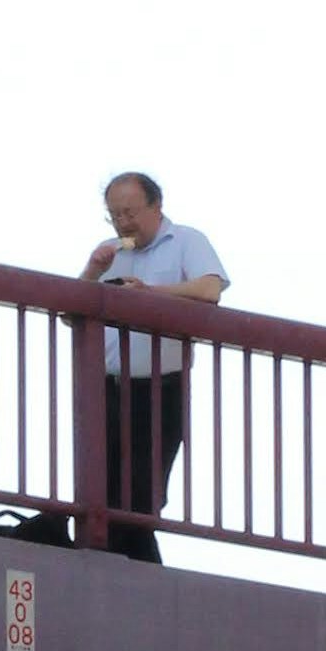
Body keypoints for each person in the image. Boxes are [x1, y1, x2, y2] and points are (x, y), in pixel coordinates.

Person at [78, 170, 228, 561]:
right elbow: (71, 312)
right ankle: (119, 568)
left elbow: (209, 289)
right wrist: (93, 272)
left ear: (155, 207)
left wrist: (148, 296)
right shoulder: (111, 251)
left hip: (160, 388)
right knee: (99, 489)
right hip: (107, 385)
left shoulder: (186, 241)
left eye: (130, 212)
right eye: (114, 215)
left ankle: (137, 574)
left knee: (143, 493)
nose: (123, 223)